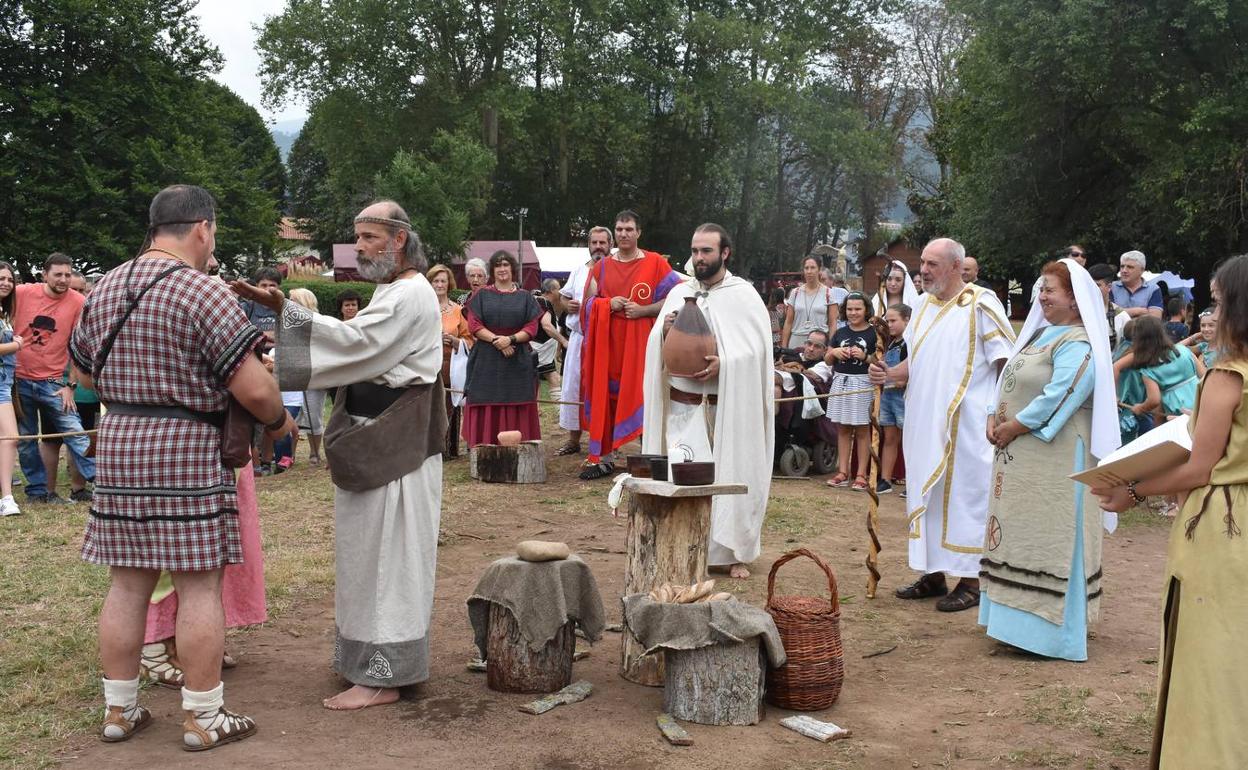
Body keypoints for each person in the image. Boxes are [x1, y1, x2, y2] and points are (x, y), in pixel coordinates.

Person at [70, 184, 293, 749]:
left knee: (126, 585)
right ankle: (203, 716)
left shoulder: (104, 288)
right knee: (199, 585)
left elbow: (83, 377)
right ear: (202, 228)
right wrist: (278, 425)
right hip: (189, 444)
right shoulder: (204, 293)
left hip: (120, 441)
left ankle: (118, 712)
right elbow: (258, 393)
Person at [239, 198, 445, 711]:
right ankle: (365, 661)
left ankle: (384, 675)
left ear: (399, 239)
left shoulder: (412, 293)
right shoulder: (391, 288)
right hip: (376, 435)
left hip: (397, 444)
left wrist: (280, 309)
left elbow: (358, 343)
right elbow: (358, 345)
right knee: (365, 555)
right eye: (358, 237)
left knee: (388, 558)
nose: (359, 247)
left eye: (370, 237)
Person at [1092, 255, 1248, 768]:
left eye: (1219, 302)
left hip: (1222, 527)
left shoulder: (1229, 375)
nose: (1212, 311)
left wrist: (1131, 489)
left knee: (1212, 651)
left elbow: (1200, 468)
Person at [979, 259, 1119, 661]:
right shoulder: (1040, 335)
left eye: (1050, 290)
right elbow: (1007, 377)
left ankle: (1050, 632)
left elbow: (1065, 391)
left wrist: (1016, 425)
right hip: (1021, 455)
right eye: (1040, 289)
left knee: (1052, 535)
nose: (1041, 296)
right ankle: (1013, 624)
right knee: (1021, 532)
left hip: (1057, 457)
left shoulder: (1078, 341)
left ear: (1075, 301)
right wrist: (993, 414)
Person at [869, 238, 1015, 612]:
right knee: (926, 496)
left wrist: (997, 412)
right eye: (922, 262)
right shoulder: (921, 306)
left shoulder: (981, 304)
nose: (924, 270)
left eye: (933, 264)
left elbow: (1006, 364)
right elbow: (915, 364)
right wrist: (887, 374)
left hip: (967, 424)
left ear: (955, 267)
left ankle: (970, 580)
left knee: (965, 498)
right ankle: (933, 572)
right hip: (923, 419)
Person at [642, 223, 773, 579]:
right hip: (684, 406)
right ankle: (683, 544)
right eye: (695, 251)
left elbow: (758, 354)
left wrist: (725, 363)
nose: (699, 258)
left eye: (707, 251)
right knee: (684, 475)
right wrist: (667, 331)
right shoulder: (679, 292)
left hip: (727, 407)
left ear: (724, 253)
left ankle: (732, 553)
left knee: (731, 473)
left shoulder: (743, 295)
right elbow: (656, 346)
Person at [579, 210, 680, 479]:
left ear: (638, 232)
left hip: (642, 349)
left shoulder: (656, 263)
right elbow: (587, 307)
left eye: (629, 229)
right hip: (609, 349)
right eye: (620, 229)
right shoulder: (602, 268)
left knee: (645, 396)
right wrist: (606, 304)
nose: (624, 234)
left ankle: (652, 458)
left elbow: (676, 299)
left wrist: (645, 310)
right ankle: (605, 459)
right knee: (608, 399)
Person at [15, 253, 94, 504]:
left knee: (76, 432)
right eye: (58, 274)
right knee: (26, 440)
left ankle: (103, 484)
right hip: (18, 379)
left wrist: (71, 385)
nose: (63, 279)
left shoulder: (78, 301)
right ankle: (37, 492)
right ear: (44, 274)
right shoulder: (22, 293)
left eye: (67, 274)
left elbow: (79, 347)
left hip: (54, 382)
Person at [462, 250, 543, 447]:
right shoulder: (481, 295)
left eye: (506, 265)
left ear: (512, 269)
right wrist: (499, 341)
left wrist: (511, 339)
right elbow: (474, 325)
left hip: (517, 358)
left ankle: (519, 444)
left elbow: (532, 327)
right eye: (498, 265)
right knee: (486, 397)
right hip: (486, 360)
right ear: (492, 270)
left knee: (517, 398)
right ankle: (484, 444)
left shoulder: (525, 297)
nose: (502, 269)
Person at [555, 229, 608, 456]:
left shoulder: (616, 269)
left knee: (603, 389)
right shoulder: (578, 271)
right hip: (579, 338)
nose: (598, 246)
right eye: (594, 242)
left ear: (610, 244)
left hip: (606, 340)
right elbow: (564, 297)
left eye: (602, 243)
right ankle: (573, 439)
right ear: (588, 245)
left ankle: (607, 440)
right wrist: (568, 305)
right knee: (574, 387)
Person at [823, 293, 877, 492]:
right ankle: (842, 471)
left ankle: (861, 474)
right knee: (843, 428)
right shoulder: (839, 333)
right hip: (841, 381)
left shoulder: (873, 333)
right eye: (850, 309)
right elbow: (828, 359)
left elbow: (880, 361)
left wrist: (865, 356)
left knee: (862, 429)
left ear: (866, 310)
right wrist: (834, 353)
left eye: (858, 309)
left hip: (863, 383)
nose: (853, 313)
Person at [1116, 316, 1203, 426]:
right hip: (1202, 404)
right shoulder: (1183, 350)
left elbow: (1154, 400)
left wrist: (1141, 407)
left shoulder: (1149, 370)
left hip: (1177, 412)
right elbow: (1204, 376)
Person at [427, 264, 472, 458]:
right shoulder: (423, 308)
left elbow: (470, 339)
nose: (439, 284)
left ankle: (448, 449)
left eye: (443, 281)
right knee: (428, 408)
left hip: (449, 367)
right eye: (435, 281)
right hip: (427, 367)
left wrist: (456, 341)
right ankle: (428, 448)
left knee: (449, 406)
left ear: (449, 283)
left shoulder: (458, 311)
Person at [284, 289, 328, 467]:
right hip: (293, 373)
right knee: (291, 415)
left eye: (293, 299)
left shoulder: (319, 322)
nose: (289, 302)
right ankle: (290, 454)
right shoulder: (287, 322)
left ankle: (315, 452)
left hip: (315, 374)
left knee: (313, 415)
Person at [878, 303, 910, 497]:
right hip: (887, 396)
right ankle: (885, 479)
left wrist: (900, 380)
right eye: (887, 321)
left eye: (893, 321)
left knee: (908, 440)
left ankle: (912, 480)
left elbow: (911, 373)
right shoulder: (887, 343)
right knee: (889, 438)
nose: (889, 325)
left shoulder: (910, 344)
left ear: (906, 320)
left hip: (903, 397)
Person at [0, 263, 22, 516]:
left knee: (9, 438)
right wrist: (15, 345)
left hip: (5, 382)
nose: (6, 283)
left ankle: (6, 496)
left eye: (9, 279)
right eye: (1, 278)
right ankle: (6, 497)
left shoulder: (4, 313)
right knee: (10, 437)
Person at [781, 256, 836, 349]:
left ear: (819, 270)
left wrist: (831, 347)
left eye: (813, 267)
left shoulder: (828, 293)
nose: (809, 271)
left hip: (818, 343)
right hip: (796, 341)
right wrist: (783, 347)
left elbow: (832, 323)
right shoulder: (795, 292)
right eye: (806, 268)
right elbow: (788, 322)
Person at [534, 279, 568, 398]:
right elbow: (547, 326)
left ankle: (536, 412)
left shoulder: (537, 300)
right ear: (552, 290)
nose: (560, 292)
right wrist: (563, 341)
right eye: (558, 289)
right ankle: (560, 412)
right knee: (553, 378)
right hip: (539, 349)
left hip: (540, 350)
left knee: (535, 379)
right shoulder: (543, 302)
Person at [1110, 250, 1164, 318]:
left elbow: (1155, 318)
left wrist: (1120, 312)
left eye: (1130, 267)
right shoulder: (1111, 287)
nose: (1124, 270)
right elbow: (1108, 313)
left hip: (1143, 329)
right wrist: (1137, 311)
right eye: (1122, 266)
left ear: (1141, 270)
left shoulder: (1153, 289)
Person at [1088, 263, 1130, 349]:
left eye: (1097, 285)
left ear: (1109, 287)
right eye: (1089, 285)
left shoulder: (1121, 316)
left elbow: (1130, 349)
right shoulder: (1076, 312)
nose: (1092, 289)